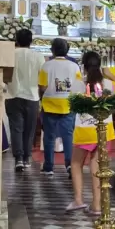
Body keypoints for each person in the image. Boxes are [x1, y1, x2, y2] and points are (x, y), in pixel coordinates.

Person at [66, 51, 115, 213]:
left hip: (85, 129)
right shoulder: (109, 84)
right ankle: (96, 204)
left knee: (76, 163)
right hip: (105, 129)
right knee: (97, 166)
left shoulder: (78, 84)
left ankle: (78, 199)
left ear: (84, 66)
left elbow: (72, 105)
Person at [38, 38, 81, 177]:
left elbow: (42, 87)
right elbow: (78, 87)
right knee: (68, 136)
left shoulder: (46, 66)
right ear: (67, 50)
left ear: (52, 50)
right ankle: (69, 165)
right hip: (68, 105)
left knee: (49, 137)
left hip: (50, 105)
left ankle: (48, 167)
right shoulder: (74, 66)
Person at [6, 29, 45, 172]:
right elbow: (42, 78)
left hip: (12, 95)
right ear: (31, 41)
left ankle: (18, 159)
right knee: (29, 129)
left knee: (16, 128)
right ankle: (27, 157)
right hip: (32, 96)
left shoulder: (10, 54)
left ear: (16, 39)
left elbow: (5, 75)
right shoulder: (38, 56)